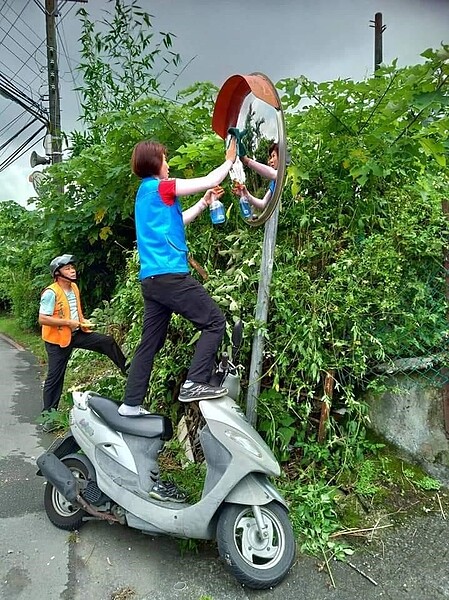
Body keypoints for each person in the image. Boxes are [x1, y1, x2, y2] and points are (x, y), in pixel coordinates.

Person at [117, 139, 236, 502]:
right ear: (156, 162)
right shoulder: (159, 185)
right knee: (214, 322)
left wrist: (203, 203)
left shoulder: (147, 195)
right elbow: (204, 178)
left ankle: (130, 403)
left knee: (149, 344)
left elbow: (177, 221)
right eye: (166, 158)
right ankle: (195, 382)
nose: (168, 164)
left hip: (152, 281)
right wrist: (229, 161)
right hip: (170, 277)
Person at [39, 254, 128, 419]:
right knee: (55, 378)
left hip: (76, 333)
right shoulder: (51, 293)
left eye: (72, 267)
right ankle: (48, 417)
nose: (72, 271)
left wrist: (82, 321)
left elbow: (74, 311)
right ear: (58, 274)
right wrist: (68, 322)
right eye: (67, 268)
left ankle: (129, 372)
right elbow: (43, 318)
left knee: (106, 342)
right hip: (57, 341)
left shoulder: (73, 287)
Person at [233, 142, 279, 211]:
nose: (270, 161)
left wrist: (247, 161)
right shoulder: (274, 182)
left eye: (273, 156)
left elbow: (274, 174)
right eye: (270, 157)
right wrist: (247, 195)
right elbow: (262, 204)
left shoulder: (286, 173)